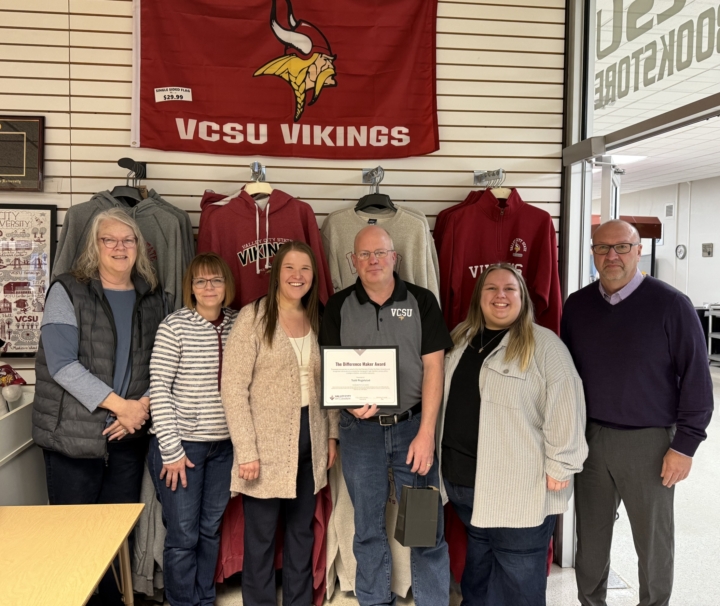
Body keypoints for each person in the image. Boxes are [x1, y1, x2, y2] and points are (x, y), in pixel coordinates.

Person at [562, 219, 714, 606]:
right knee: (591, 539)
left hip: (649, 443)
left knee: (653, 542)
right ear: (592, 251)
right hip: (591, 439)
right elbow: (566, 377)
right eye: (602, 248)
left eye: (622, 247)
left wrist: (685, 445)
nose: (612, 256)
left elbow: (697, 378)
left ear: (638, 250)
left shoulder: (671, 305)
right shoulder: (577, 306)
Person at [32, 207, 165, 605]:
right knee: (76, 539)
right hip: (73, 439)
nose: (120, 247)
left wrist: (138, 408)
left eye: (128, 240)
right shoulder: (67, 290)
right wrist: (121, 407)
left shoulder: (153, 296)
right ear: (95, 245)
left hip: (126, 439)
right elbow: (61, 364)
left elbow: (163, 363)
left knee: (115, 536)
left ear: (139, 247)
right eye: (110, 239)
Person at [438, 263, 588, 606]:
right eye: (491, 288)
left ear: (523, 298)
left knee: (519, 579)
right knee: (479, 569)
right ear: (479, 297)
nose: (500, 296)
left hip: (518, 490)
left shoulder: (544, 345)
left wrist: (561, 466)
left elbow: (566, 402)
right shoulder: (462, 336)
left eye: (510, 289)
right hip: (465, 486)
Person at [319, 225, 453, 606]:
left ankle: (432, 601)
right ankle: (375, 600)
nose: (373, 260)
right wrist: (347, 402)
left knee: (424, 525)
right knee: (367, 527)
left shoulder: (422, 301)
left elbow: (434, 369)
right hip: (360, 432)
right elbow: (330, 369)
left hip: (413, 426)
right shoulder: (338, 306)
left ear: (395, 257)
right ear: (352, 261)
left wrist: (426, 432)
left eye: (380, 253)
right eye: (364, 254)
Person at [221, 241, 339, 606]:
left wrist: (332, 435)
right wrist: (246, 449)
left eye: (305, 269)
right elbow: (233, 387)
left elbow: (330, 381)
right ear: (276, 273)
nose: (297, 276)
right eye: (290, 267)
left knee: (302, 532)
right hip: (265, 443)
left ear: (313, 276)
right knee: (260, 537)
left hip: (313, 437)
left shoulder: (319, 316)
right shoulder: (254, 317)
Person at [147, 252, 238, 606]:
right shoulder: (175, 326)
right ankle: (183, 601)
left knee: (209, 531)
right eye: (201, 281)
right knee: (183, 535)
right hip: (182, 448)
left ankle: (205, 598)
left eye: (216, 279)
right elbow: (159, 387)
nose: (209, 287)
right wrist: (171, 451)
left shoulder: (238, 323)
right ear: (191, 287)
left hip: (224, 448)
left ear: (227, 285)